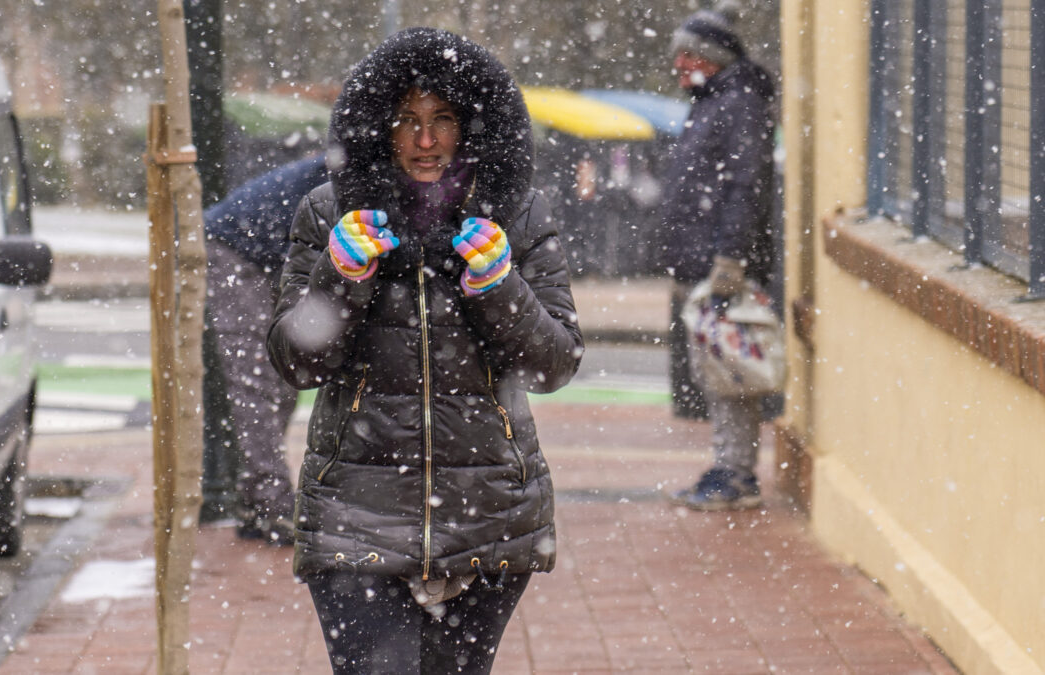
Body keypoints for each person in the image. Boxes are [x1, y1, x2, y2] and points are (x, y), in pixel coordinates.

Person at [266, 27, 583, 674]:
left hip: (489, 518)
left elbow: (556, 362)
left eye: (443, 119)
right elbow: (295, 361)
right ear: (379, 128)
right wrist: (340, 277)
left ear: (472, 128)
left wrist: (500, 288)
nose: (426, 140)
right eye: (406, 120)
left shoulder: (517, 215)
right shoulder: (327, 215)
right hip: (355, 515)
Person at [658, 0, 777, 510]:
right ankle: (728, 465)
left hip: (720, 265)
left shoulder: (738, 103)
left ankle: (736, 475)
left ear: (711, 57)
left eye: (687, 55)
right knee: (716, 368)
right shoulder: (714, 102)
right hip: (701, 260)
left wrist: (731, 259)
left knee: (729, 370)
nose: (680, 66)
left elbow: (746, 187)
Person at [201, 154, 328, 543]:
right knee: (254, 380)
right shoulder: (348, 174)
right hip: (237, 249)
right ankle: (270, 504)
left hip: (273, 254)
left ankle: (258, 501)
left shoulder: (352, 166)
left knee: (282, 378)